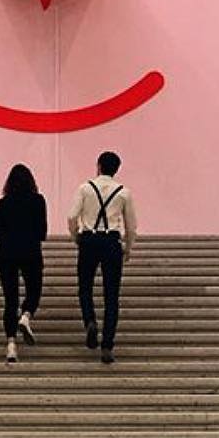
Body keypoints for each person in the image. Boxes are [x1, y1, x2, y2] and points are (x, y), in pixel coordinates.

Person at [67, 151, 137, 364]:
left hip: (89, 239)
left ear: (98, 166)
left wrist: (76, 237)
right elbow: (131, 226)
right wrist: (128, 248)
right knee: (111, 295)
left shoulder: (85, 188)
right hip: (111, 241)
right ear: (117, 169)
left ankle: (90, 320)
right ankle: (107, 345)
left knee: (85, 287)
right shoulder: (124, 192)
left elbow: (72, 216)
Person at [0, 163, 48, 364]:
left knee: (10, 299)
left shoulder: (3, 202)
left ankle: (11, 345)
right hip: (31, 252)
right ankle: (26, 315)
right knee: (34, 290)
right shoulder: (38, 201)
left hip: (6, 254)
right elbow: (42, 232)